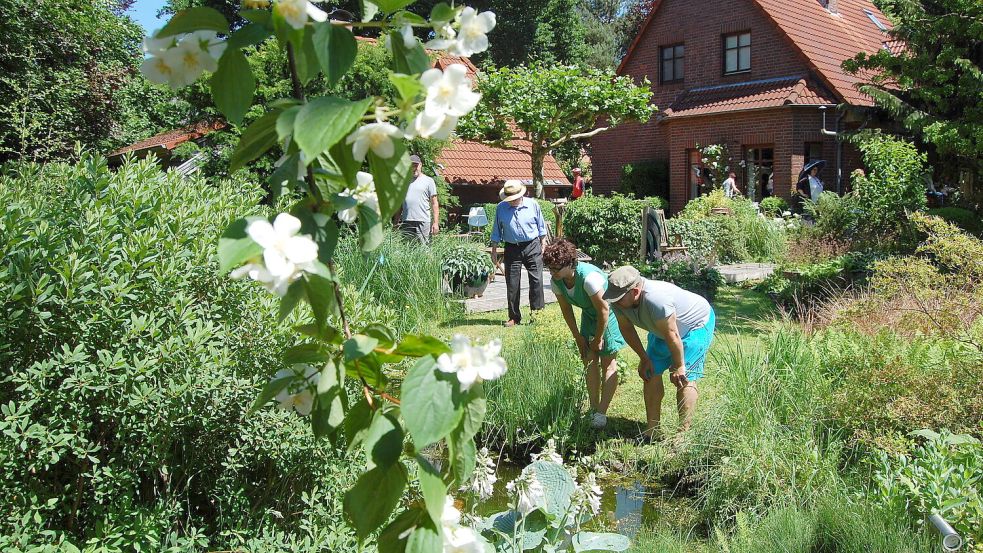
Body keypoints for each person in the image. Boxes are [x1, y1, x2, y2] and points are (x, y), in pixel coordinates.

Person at [604, 266, 715, 438]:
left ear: (635, 291)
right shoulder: (619, 300)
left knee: (684, 379)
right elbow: (626, 329)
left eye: (618, 298)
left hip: (695, 325)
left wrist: (679, 366)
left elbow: (673, 335)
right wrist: (644, 358)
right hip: (663, 331)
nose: (614, 302)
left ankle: (683, 435)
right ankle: (652, 430)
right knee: (650, 372)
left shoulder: (657, 299)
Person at [543, 238, 626, 429]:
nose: (552, 273)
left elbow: (604, 310)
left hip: (609, 315)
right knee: (589, 359)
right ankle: (593, 408)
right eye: (549, 268)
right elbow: (566, 310)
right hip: (589, 315)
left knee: (607, 362)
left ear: (570, 263)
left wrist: (598, 338)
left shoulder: (589, 279)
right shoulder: (557, 281)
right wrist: (578, 338)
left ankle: (601, 413)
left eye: (556, 268)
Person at [490, 180, 547, 327]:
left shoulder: (533, 204)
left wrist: (543, 243)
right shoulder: (501, 208)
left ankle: (537, 315)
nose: (511, 201)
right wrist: (494, 249)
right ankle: (514, 317)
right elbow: (496, 229)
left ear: (521, 195)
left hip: (532, 245)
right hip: (511, 248)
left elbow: (541, 226)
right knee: (512, 283)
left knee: (537, 281)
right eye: (508, 199)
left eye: (513, 198)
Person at [397, 155, 439, 243]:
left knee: (424, 249)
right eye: (411, 165)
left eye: (416, 165)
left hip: (423, 221)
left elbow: (434, 203)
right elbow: (400, 204)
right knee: (407, 250)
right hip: (407, 221)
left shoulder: (429, 181)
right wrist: (396, 221)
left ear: (420, 165)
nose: (414, 168)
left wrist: (435, 223)